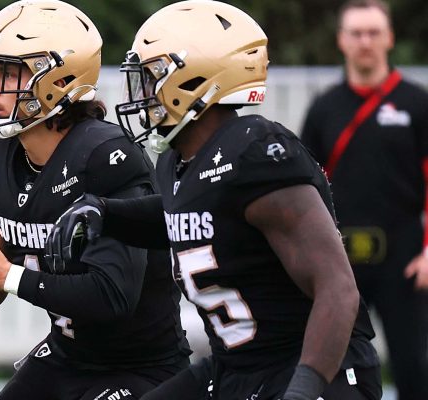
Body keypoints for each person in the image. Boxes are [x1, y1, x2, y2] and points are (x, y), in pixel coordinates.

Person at [44, 1, 383, 399]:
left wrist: (304, 390)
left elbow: (338, 288)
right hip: (237, 365)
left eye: (151, 77)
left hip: (311, 365)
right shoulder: (177, 160)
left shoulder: (255, 153)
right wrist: (105, 213)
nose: (142, 93)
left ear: (194, 80)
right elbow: (187, 217)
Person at [0, 1, 192, 399]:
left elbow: (113, 297)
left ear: (58, 78)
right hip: (66, 355)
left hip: (141, 366)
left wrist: (7, 276)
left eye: (8, 73)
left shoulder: (105, 157)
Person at [299, 1, 428, 398]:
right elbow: (303, 188)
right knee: (335, 365)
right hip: (339, 260)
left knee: (413, 366)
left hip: (406, 259)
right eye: (356, 33)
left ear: (390, 38)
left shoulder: (417, 103)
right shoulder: (324, 108)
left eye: (373, 32)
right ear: (342, 40)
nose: (365, 41)